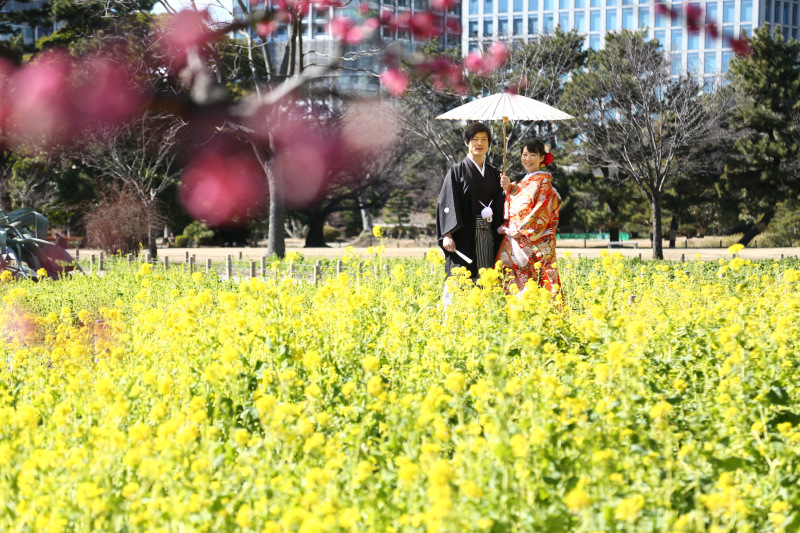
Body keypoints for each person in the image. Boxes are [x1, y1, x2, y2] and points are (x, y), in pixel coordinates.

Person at [436, 122, 505, 281]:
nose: (479, 143)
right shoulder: (456, 171)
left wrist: (506, 189)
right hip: (464, 236)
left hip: (489, 235)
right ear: (467, 142)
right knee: (463, 279)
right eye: (475, 139)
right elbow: (447, 204)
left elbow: (500, 203)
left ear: (489, 143)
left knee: (488, 278)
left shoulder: (494, 173)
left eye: (484, 139)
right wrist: (447, 234)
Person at [496, 139, 563, 300]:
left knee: (532, 283)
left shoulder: (543, 181)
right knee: (508, 279)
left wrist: (521, 231)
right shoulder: (523, 182)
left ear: (542, 158)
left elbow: (541, 210)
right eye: (524, 154)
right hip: (513, 240)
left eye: (533, 155)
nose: (528, 159)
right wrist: (508, 189)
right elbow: (512, 207)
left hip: (530, 240)